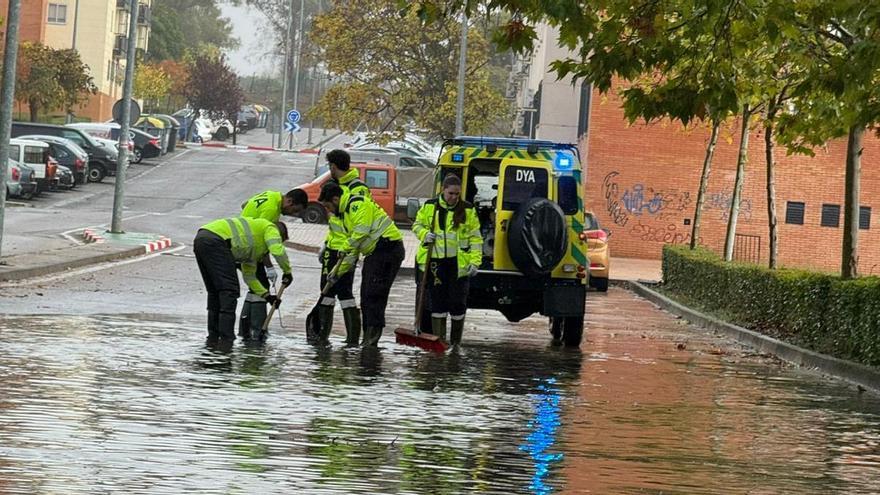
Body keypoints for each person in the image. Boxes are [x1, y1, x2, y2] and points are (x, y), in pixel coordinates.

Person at [319, 181, 404, 347]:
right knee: (366, 295)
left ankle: (371, 341)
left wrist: (345, 247)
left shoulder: (357, 204)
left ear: (336, 200)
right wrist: (337, 272)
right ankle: (367, 340)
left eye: (328, 206)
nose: (328, 211)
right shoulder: (345, 215)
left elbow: (361, 232)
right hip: (375, 252)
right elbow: (352, 251)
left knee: (374, 294)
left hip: (388, 248)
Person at [193, 217, 293, 346]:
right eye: (281, 240)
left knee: (215, 291)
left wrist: (267, 296)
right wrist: (287, 271)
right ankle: (226, 340)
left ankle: (213, 337)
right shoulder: (270, 228)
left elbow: (249, 277)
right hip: (217, 241)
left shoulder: (251, 249)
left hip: (202, 238)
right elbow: (277, 250)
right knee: (229, 291)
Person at [413, 174, 482, 346]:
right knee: (438, 302)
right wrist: (424, 234)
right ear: (443, 190)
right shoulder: (430, 206)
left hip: (458, 264)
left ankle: (456, 343)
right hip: (435, 262)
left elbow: (475, 238)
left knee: (458, 303)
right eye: (451, 193)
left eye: (457, 194)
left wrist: (475, 262)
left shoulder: (467, 210)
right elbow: (417, 225)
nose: (454, 197)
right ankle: (440, 342)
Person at [238, 189, 308, 340]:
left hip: (243, 241)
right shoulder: (271, 210)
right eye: (294, 210)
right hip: (246, 246)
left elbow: (244, 205)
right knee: (261, 286)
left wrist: (249, 216)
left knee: (255, 287)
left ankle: (245, 328)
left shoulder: (270, 195)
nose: (292, 214)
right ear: (289, 201)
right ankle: (257, 331)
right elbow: (265, 241)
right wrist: (269, 266)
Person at [319, 149, 370, 346]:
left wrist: (351, 252)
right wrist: (326, 244)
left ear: (333, 166)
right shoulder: (334, 186)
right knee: (326, 292)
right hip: (333, 248)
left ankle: (352, 339)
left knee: (345, 292)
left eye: (329, 166)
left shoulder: (357, 189)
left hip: (347, 251)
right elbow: (334, 223)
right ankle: (322, 337)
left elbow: (359, 225)